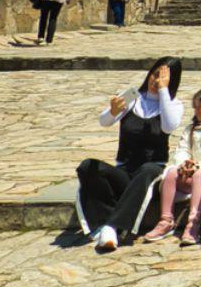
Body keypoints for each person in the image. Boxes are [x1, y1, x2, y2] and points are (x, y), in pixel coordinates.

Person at [76, 57, 184, 251]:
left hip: (152, 173)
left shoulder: (173, 104)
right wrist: (112, 111)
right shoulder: (133, 99)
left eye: (163, 78)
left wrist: (163, 91)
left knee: (147, 169)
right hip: (125, 171)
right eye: (155, 74)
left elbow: (168, 126)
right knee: (88, 167)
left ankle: (113, 226)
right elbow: (104, 121)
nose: (156, 80)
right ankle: (103, 224)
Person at [142, 86, 201, 246]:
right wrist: (184, 163)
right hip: (188, 177)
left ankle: (194, 223)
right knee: (171, 172)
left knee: (200, 174)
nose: (196, 111)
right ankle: (166, 220)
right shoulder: (191, 130)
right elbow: (182, 149)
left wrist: (198, 166)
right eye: (195, 107)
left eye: (200, 107)